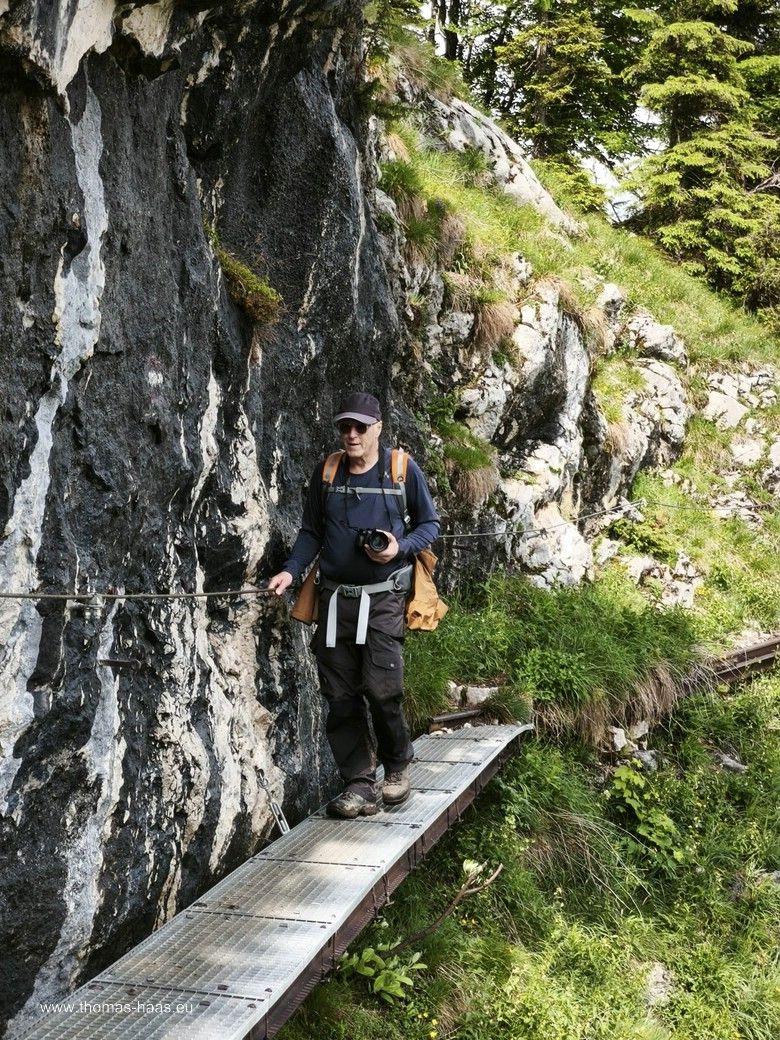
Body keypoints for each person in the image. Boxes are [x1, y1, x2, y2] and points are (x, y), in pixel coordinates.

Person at [268, 392, 440, 818]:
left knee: (383, 689)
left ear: (378, 428)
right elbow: (311, 531)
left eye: (361, 427)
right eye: (345, 427)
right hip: (333, 599)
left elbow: (430, 525)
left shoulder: (401, 470)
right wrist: (291, 571)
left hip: (384, 597)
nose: (352, 435)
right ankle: (360, 783)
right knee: (340, 696)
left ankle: (397, 765)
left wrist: (399, 547)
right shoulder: (327, 473)